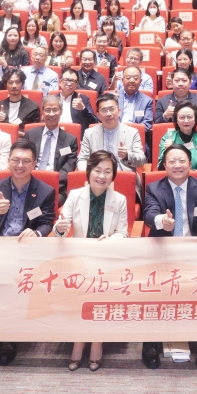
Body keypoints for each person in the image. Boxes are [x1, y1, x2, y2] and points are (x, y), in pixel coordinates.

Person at [0, 138, 57, 366]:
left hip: (27, 250)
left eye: (25, 161)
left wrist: (37, 233)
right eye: (15, 160)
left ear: (34, 164)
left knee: (17, 290)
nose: (20, 165)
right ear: (9, 161)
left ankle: (10, 339)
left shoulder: (45, 191)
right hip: (0, 248)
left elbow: (46, 222)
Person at [142, 142, 197, 370]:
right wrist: (162, 222)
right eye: (172, 161)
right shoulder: (154, 188)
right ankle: (150, 340)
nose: (177, 165)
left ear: (190, 163)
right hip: (163, 249)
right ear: (164, 165)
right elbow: (149, 215)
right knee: (155, 294)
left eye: (182, 161)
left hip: (194, 250)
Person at [54, 149, 128, 370]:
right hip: (80, 259)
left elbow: (123, 232)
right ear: (89, 171)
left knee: (100, 300)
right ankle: (79, 341)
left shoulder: (119, 199)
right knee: (81, 299)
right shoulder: (75, 195)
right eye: (97, 170)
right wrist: (60, 227)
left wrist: (111, 239)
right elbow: (60, 230)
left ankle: (97, 342)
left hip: (106, 259)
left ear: (113, 175)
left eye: (108, 171)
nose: (102, 176)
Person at [78, 94, 145, 173]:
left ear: (119, 111)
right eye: (104, 110)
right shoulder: (89, 133)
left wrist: (127, 155)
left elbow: (141, 161)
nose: (108, 114)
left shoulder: (132, 132)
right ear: (98, 115)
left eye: (112, 109)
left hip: (123, 175)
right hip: (98, 176)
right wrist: (88, 175)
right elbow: (82, 159)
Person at [155, 100, 197, 172]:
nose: (186, 121)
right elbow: (160, 168)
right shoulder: (168, 137)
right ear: (176, 120)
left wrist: (189, 175)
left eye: (189, 117)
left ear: (195, 119)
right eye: (182, 117)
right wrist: (167, 151)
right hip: (172, 175)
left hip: (195, 177)